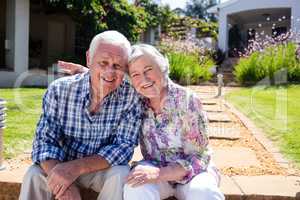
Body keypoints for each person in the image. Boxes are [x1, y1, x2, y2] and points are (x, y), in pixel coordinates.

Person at [59, 44, 225, 200]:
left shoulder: (187, 101)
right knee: (134, 187)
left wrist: (161, 173)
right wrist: (86, 71)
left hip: (191, 173)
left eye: (148, 70)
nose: (144, 79)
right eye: (136, 75)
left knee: (204, 192)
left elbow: (199, 157)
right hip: (153, 168)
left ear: (163, 67)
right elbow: (112, 80)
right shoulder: (136, 99)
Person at [19, 31, 143, 200]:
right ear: (89, 59)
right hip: (60, 164)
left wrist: (75, 168)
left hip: (99, 170)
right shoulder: (59, 90)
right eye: (103, 62)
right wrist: (65, 183)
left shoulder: (131, 97)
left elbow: (123, 147)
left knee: (121, 174)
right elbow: (44, 142)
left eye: (117, 66)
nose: (109, 72)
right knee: (34, 174)